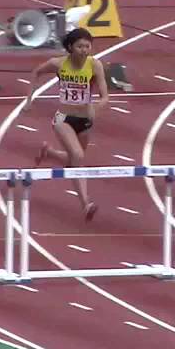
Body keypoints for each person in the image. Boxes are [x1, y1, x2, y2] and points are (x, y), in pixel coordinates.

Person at [26, 27, 109, 221]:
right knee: (78, 157)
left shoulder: (95, 65)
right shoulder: (58, 64)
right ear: (71, 47)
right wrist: (28, 100)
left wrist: (95, 109)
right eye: (80, 46)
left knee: (75, 160)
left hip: (85, 120)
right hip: (63, 118)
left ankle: (50, 153)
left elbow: (105, 97)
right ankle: (86, 203)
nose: (84, 50)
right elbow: (36, 72)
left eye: (88, 46)